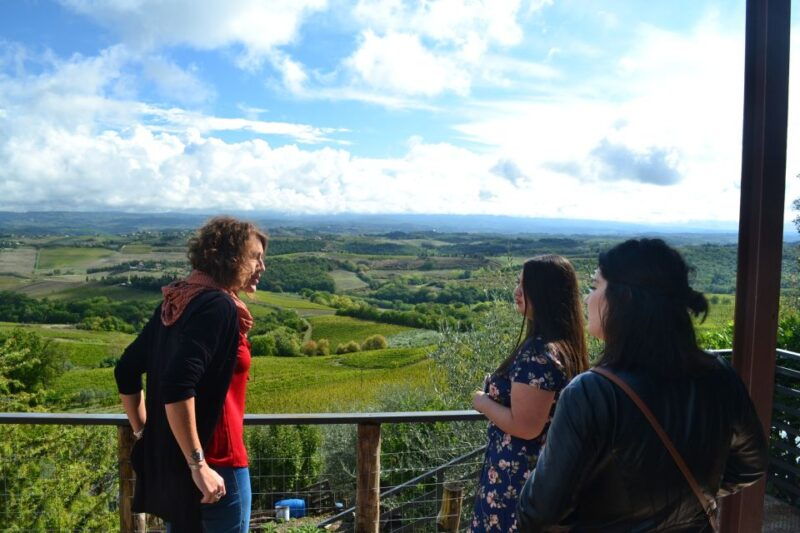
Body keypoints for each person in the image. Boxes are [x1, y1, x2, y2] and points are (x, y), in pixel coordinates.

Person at [516, 238, 768, 532]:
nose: (587, 298)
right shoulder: (719, 376)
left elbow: (536, 512)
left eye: (595, 286)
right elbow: (752, 465)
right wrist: (679, 496)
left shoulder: (592, 392)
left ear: (623, 300)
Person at [114, 216, 267, 532]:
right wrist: (199, 465)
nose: (262, 266)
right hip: (217, 465)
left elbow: (126, 369)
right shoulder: (218, 308)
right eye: (255, 257)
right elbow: (177, 384)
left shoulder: (177, 301)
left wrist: (146, 433)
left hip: (178, 466)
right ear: (230, 256)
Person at [470, 255, 589, 532]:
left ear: (545, 292)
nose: (517, 292)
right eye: (517, 282)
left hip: (515, 482)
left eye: (526, 285)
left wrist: (482, 401)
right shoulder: (563, 346)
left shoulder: (538, 354)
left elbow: (525, 427)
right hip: (538, 477)